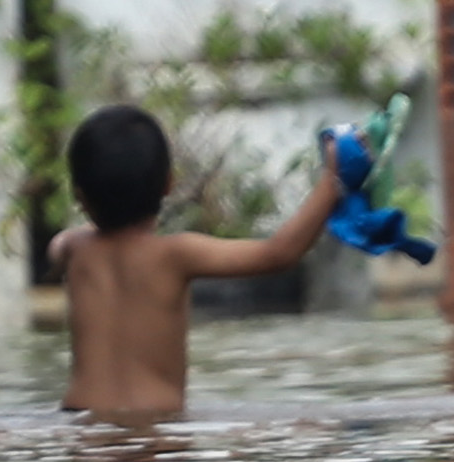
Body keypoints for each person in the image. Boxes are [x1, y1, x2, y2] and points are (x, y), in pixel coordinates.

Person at [44, 104, 347, 420]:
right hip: (156, 428)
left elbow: (57, 247)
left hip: (80, 425)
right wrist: (332, 182)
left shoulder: (75, 248)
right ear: (168, 184)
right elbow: (278, 253)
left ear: (79, 195)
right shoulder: (177, 255)